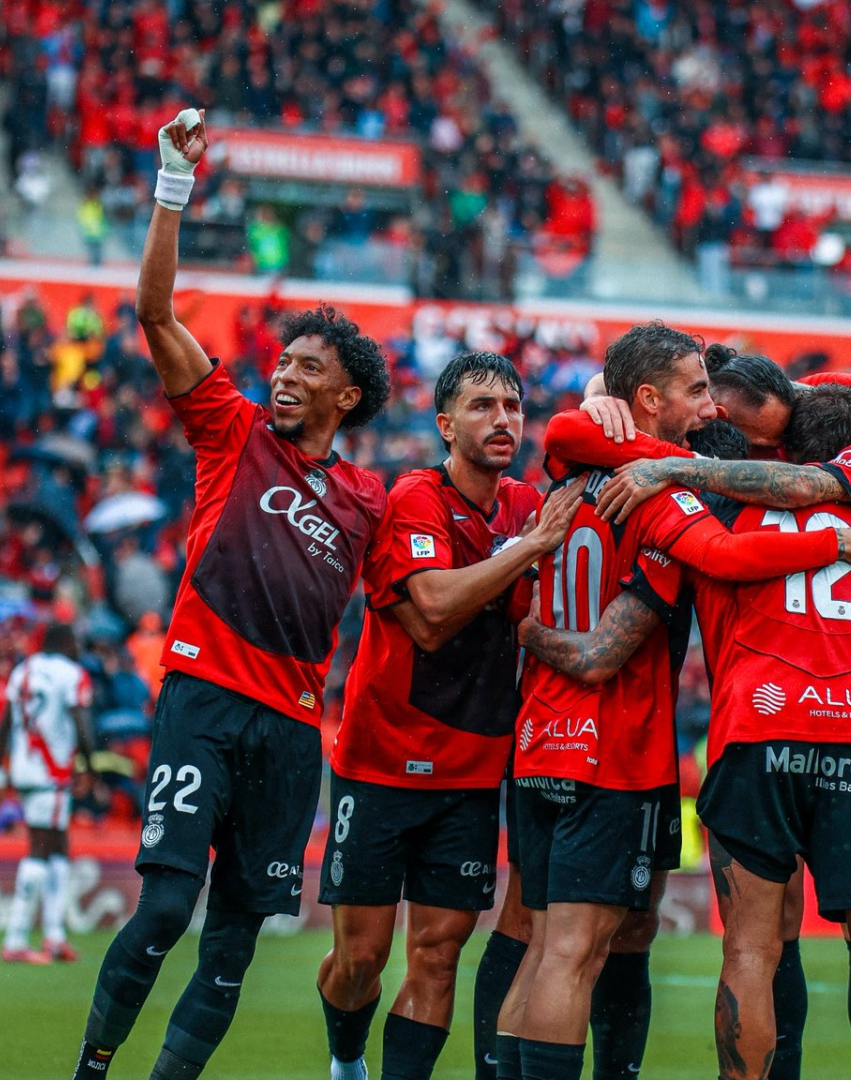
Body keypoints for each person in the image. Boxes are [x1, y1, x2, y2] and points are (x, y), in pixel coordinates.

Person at [522, 388, 851, 1080]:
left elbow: (584, 442)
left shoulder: (715, 510)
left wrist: (602, 401)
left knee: (751, 949)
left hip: (757, 736)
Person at [70, 108, 392, 1080]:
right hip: (204, 697)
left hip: (294, 732)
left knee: (236, 940)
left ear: (347, 397)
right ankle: (90, 1069)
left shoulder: (373, 502)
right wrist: (174, 188)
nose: (284, 375)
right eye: (284, 361)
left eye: (308, 368)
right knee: (167, 909)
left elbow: (414, 604)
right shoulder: (232, 428)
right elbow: (158, 315)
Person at [494, 323, 851, 1080]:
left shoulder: (574, 466)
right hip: (615, 749)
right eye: (696, 391)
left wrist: (527, 631)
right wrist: (834, 543)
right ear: (650, 399)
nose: (710, 407)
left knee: (555, 941)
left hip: (541, 740)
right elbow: (718, 557)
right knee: (578, 951)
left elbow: (565, 427)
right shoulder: (670, 489)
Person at [315, 350, 583, 1080]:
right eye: (482, 406)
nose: (503, 420)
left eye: (513, 407)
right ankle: (346, 1057)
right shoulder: (415, 500)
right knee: (361, 958)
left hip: (471, 771)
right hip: (380, 761)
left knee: (437, 957)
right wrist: (529, 550)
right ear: (444, 424)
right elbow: (430, 613)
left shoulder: (531, 505)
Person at [0, 623, 93, 964]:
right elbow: (80, 720)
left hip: (23, 767)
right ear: (65, 642)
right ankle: (16, 938)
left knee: (58, 846)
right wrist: (90, 764)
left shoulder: (23, 669)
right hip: (51, 771)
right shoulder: (72, 674)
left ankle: (54, 936)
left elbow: (5, 722)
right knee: (40, 846)